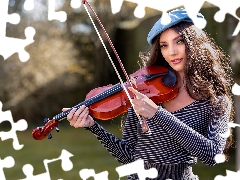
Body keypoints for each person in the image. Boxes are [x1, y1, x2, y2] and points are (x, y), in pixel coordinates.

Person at [63, 8, 234, 180]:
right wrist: (92, 126)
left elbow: (212, 155)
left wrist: (158, 114)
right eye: (164, 45)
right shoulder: (143, 93)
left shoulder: (216, 101)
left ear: (194, 43)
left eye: (179, 41)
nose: (171, 52)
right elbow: (129, 157)